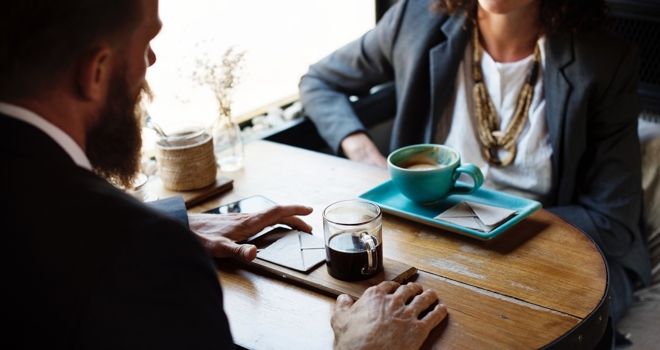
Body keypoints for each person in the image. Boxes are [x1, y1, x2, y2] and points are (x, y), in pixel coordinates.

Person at [0, 0, 447, 349]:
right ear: (96, 72)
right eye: (145, 43)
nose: (150, 62)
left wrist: (180, 223)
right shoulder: (143, 259)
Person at [299, 0, 651, 344]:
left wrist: (479, 232)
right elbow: (318, 82)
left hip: (558, 255)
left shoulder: (605, 59)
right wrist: (365, 154)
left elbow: (612, 221)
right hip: (439, 247)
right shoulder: (413, 19)